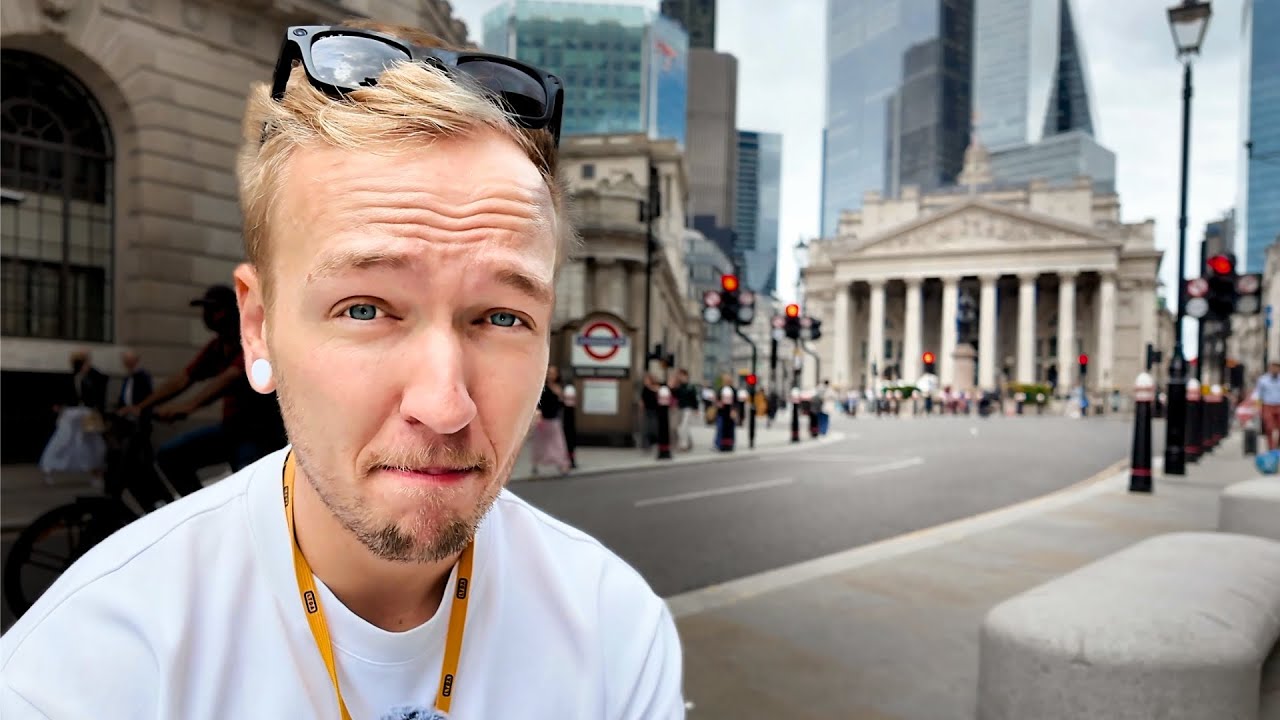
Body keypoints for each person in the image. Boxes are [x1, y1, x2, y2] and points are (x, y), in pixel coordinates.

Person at [0, 20, 683, 720]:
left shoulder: (617, 633)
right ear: (258, 329)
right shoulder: (83, 671)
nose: (444, 405)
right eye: (365, 308)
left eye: (502, 317)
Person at [120, 283, 287, 496]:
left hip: (261, 435)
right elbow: (183, 379)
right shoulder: (217, 347)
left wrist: (189, 406)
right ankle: (200, 512)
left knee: (248, 488)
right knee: (170, 456)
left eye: (213, 309)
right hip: (231, 430)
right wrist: (141, 407)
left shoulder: (254, 341)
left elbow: (231, 378)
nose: (207, 316)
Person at [38, 350, 109, 479]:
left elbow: (99, 391)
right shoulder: (72, 377)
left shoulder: (93, 377)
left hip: (88, 413)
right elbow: (65, 394)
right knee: (63, 439)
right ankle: (49, 467)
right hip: (72, 413)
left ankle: (96, 471)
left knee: (93, 442)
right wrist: (59, 405)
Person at [529, 365, 572, 476]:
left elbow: (562, 404)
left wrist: (561, 397)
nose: (551, 375)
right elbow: (538, 402)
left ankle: (562, 465)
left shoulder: (560, 387)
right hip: (543, 419)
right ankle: (535, 464)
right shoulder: (542, 386)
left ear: (557, 375)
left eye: (553, 373)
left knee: (558, 443)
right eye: (549, 372)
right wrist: (538, 415)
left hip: (554, 419)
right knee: (540, 443)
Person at [1251, 361, 1280, 450]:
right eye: (1272, 368)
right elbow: (1258, 393)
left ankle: (1277, 446)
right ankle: (1271, 448)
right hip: (1267, 406)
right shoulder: (1263, 380)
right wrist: (1256, 406)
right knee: (1269, 427)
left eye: (1276, 368)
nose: (1274, 370)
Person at [671, 368, 699, 452]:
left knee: (684, 426)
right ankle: (688, 442)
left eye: (681, 375)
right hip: (679, 408)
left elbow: (694, 398)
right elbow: (674, 395)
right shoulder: (678, 386)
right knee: (680, 427)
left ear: (685, 376)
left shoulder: (690, 387)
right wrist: (673, 385)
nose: (680, 377)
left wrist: (696, 408)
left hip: (688, 409)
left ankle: (684, 445)